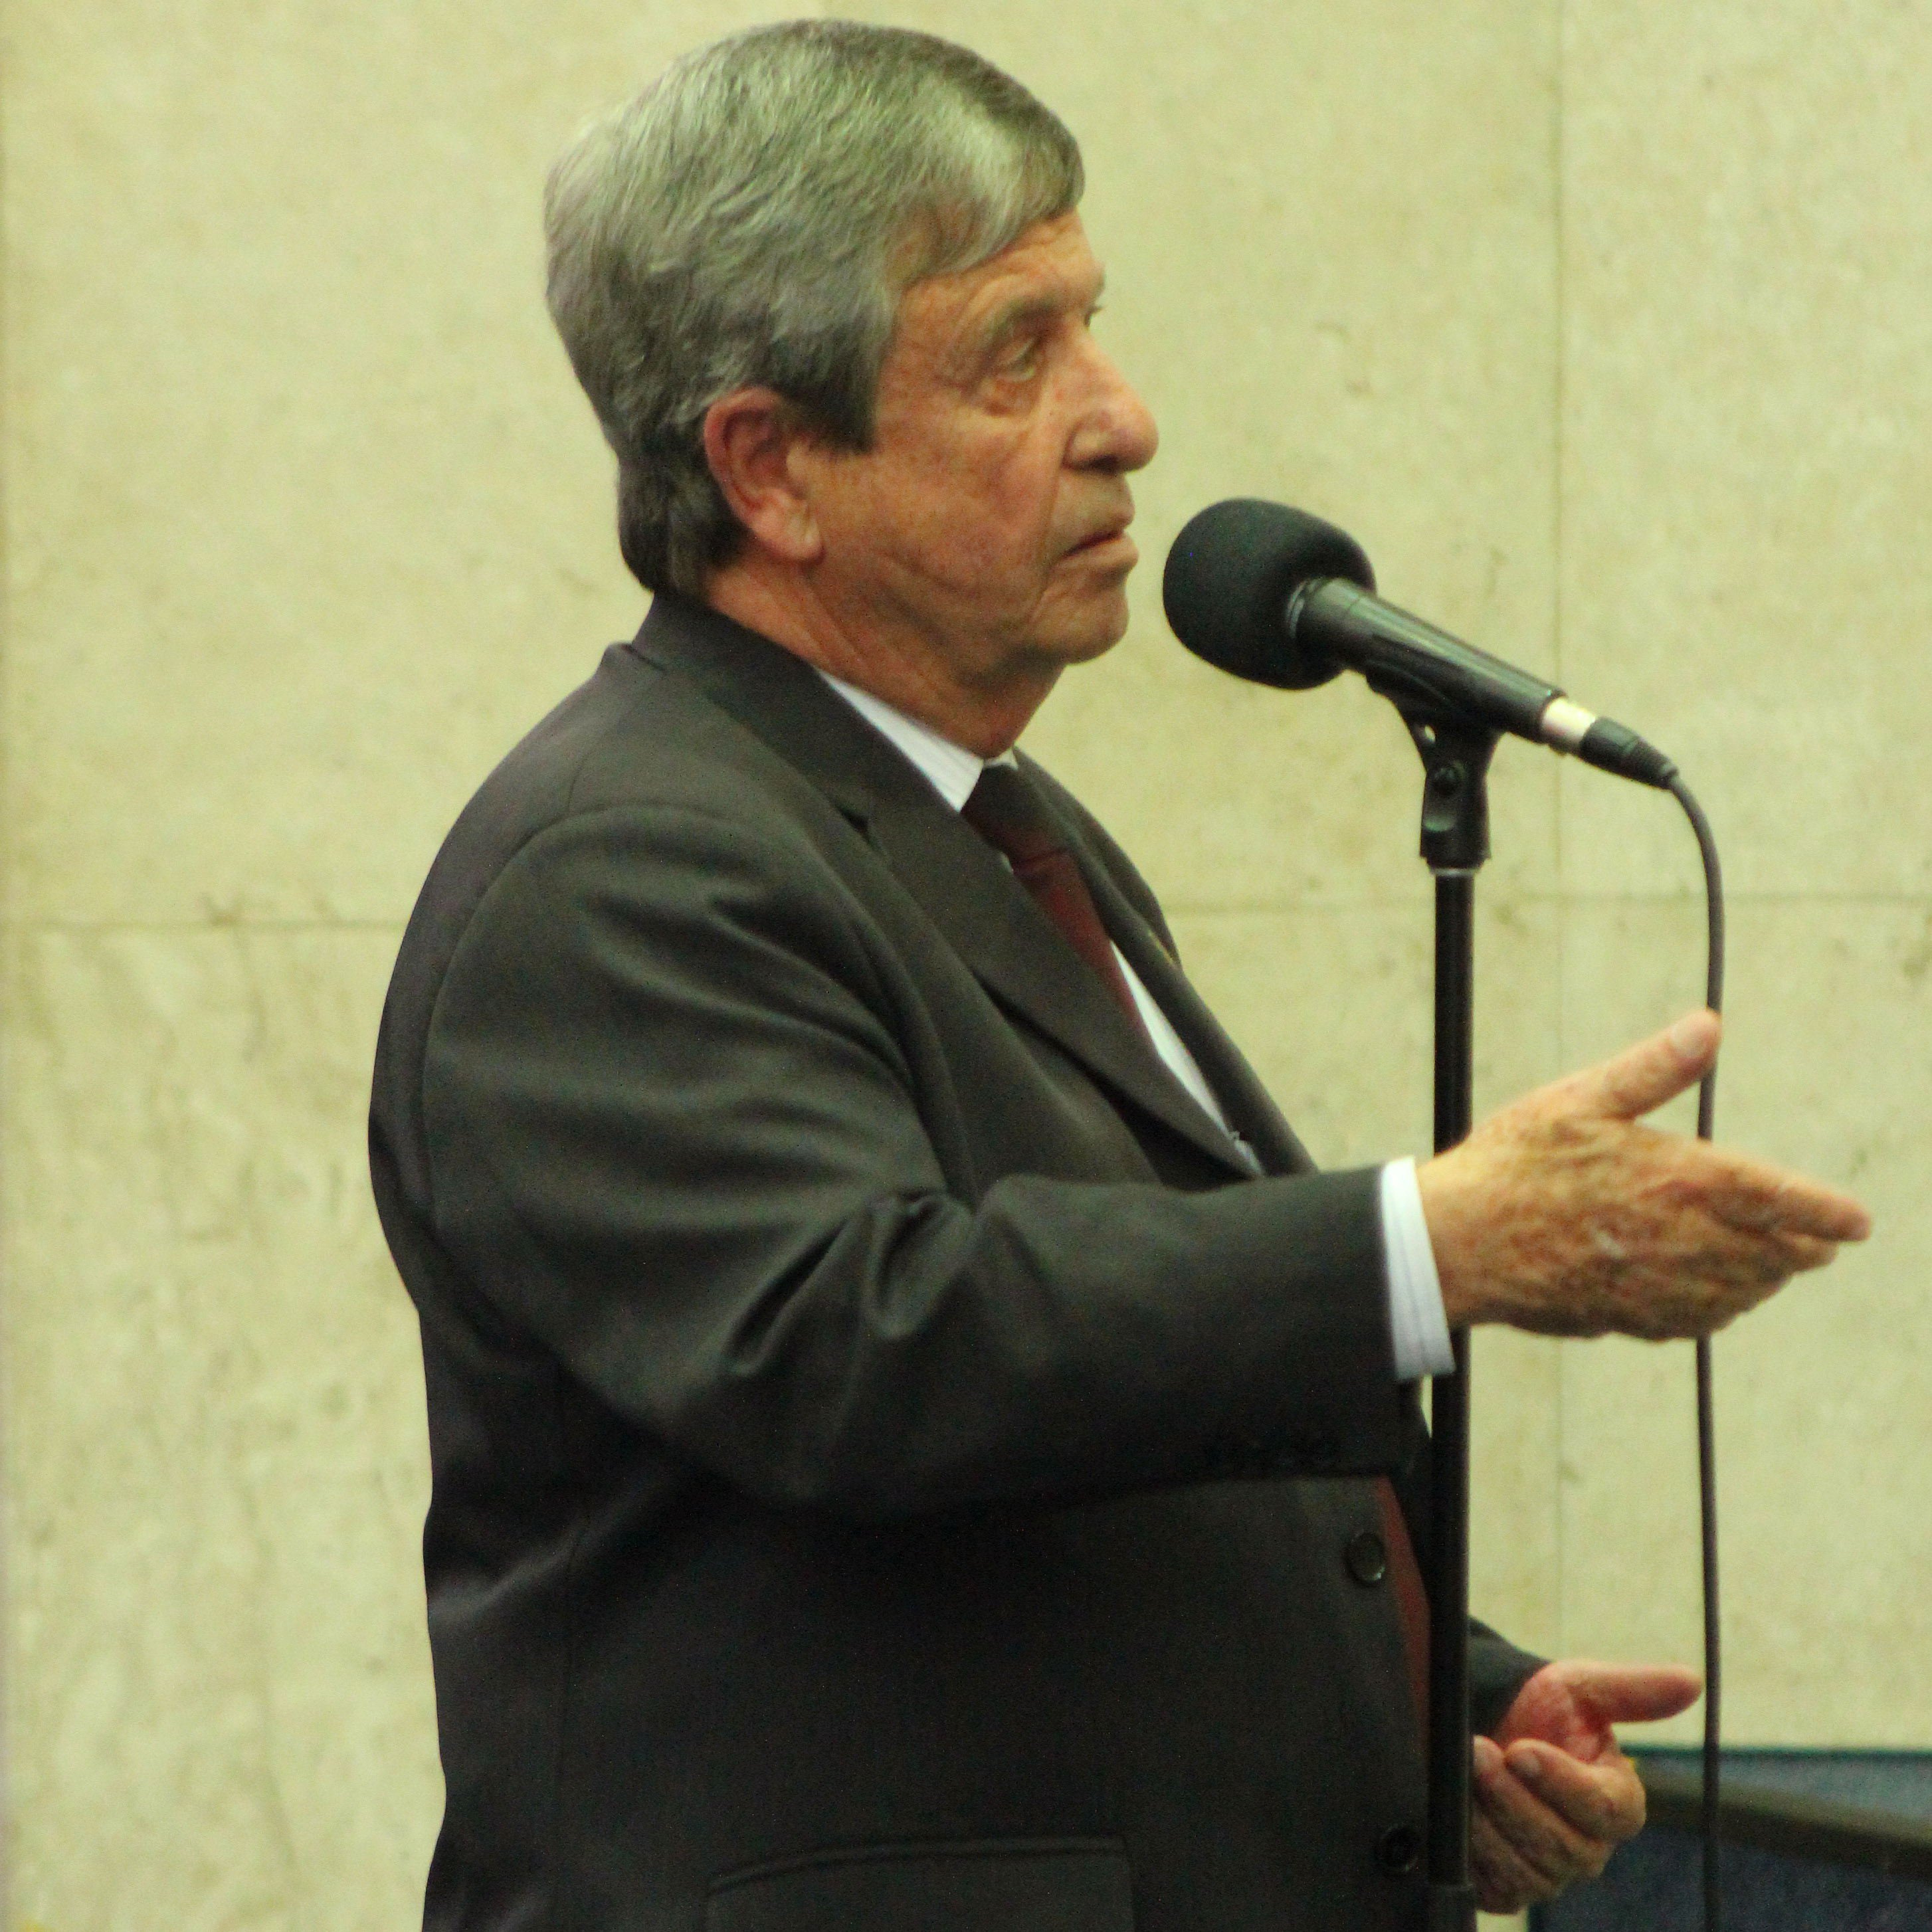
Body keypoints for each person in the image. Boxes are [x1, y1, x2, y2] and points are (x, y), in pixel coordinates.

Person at [368, 22, 1868, 1931]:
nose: (1124, 417)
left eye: (1093, 324)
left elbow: (1116, 1424)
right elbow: (866, 1346)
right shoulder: (620, 864)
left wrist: (1447, 1705)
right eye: (1018, 353)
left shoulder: (991, 823)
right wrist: (1426, 1245)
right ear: (771, 465)